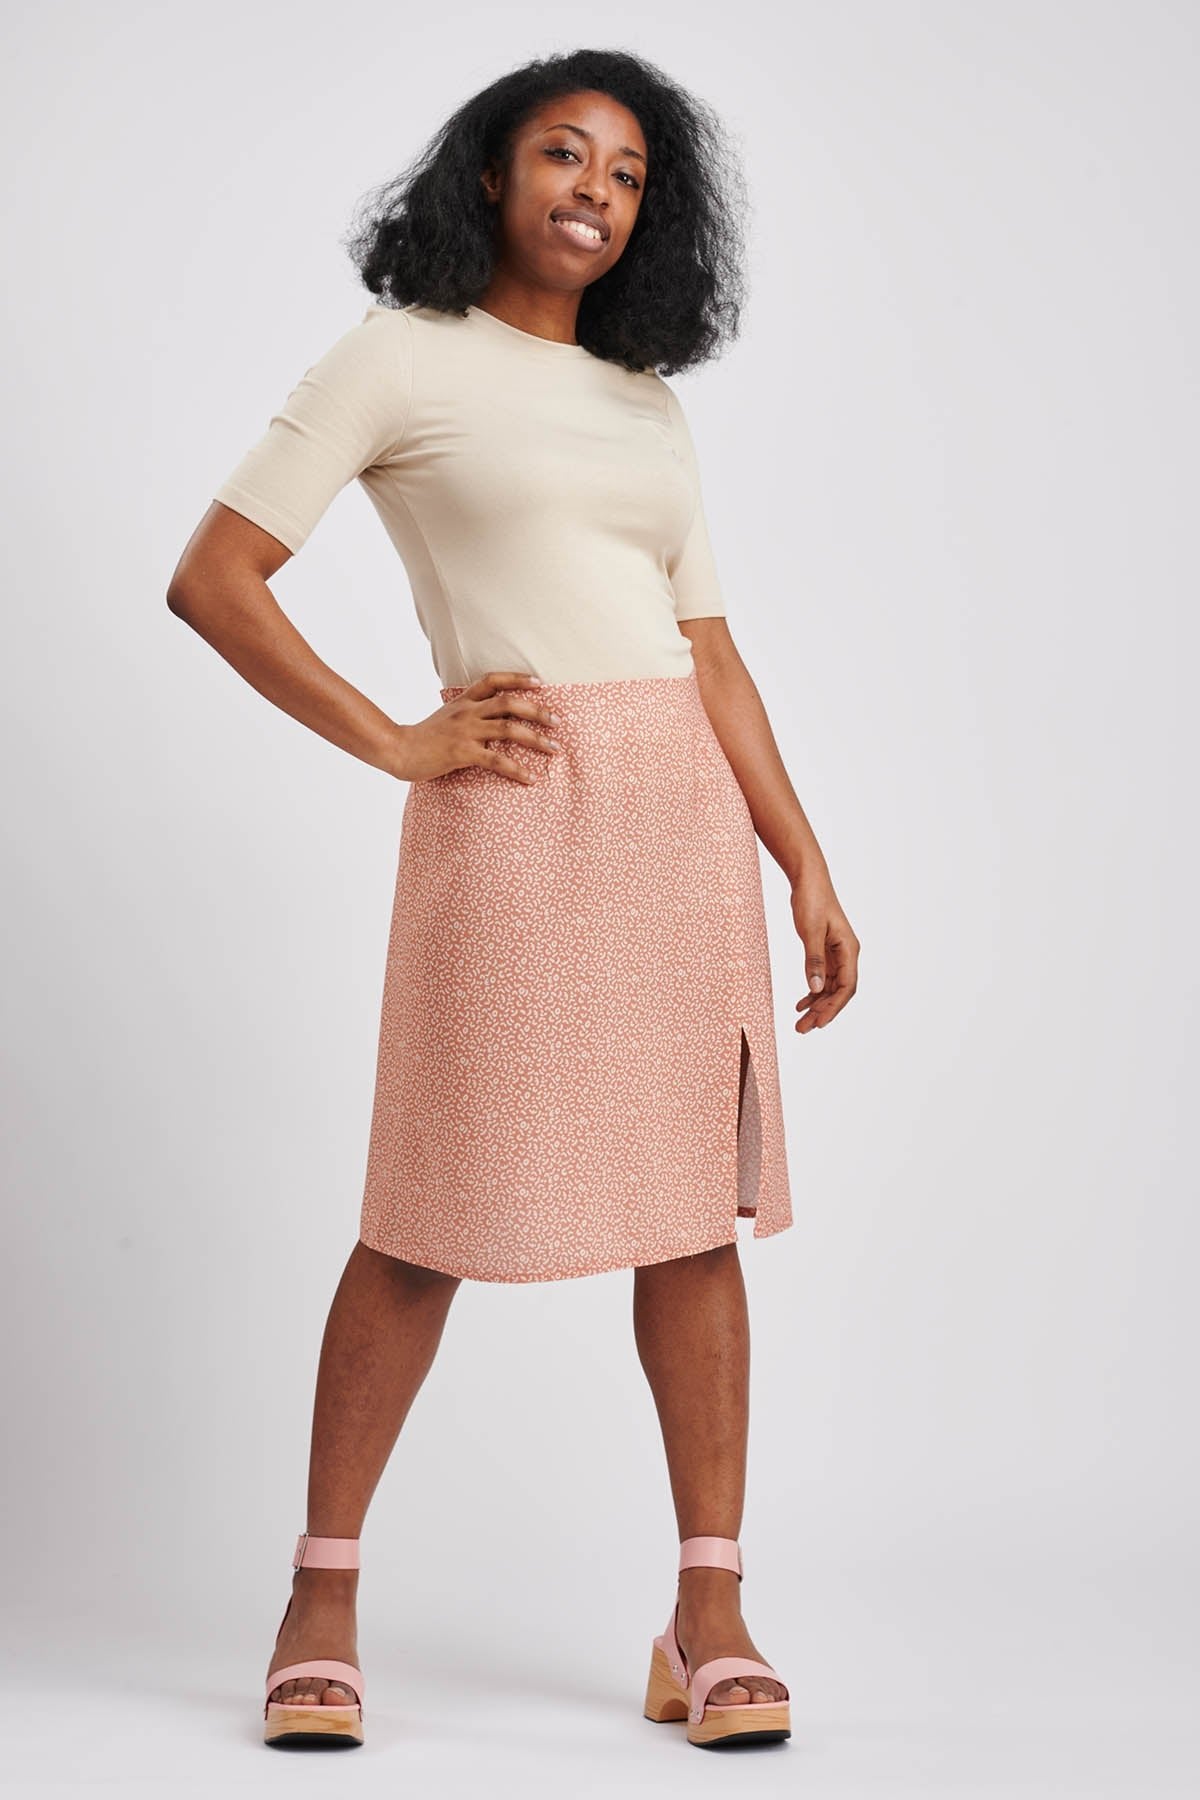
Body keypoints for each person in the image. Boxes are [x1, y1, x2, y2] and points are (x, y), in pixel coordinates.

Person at [167, 47, 859, 1754]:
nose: (595, 193)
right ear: (492, 171)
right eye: (566, 154)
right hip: (514, 808)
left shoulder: (646, 403)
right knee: (427, 1213)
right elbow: (215, 575)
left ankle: (708, 1611)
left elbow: (709, 653)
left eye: (627, 175)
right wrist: (397, 738)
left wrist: (803, 856)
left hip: (679, 824)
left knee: (691, 1218)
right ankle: (321, 1596)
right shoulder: (399, 357)